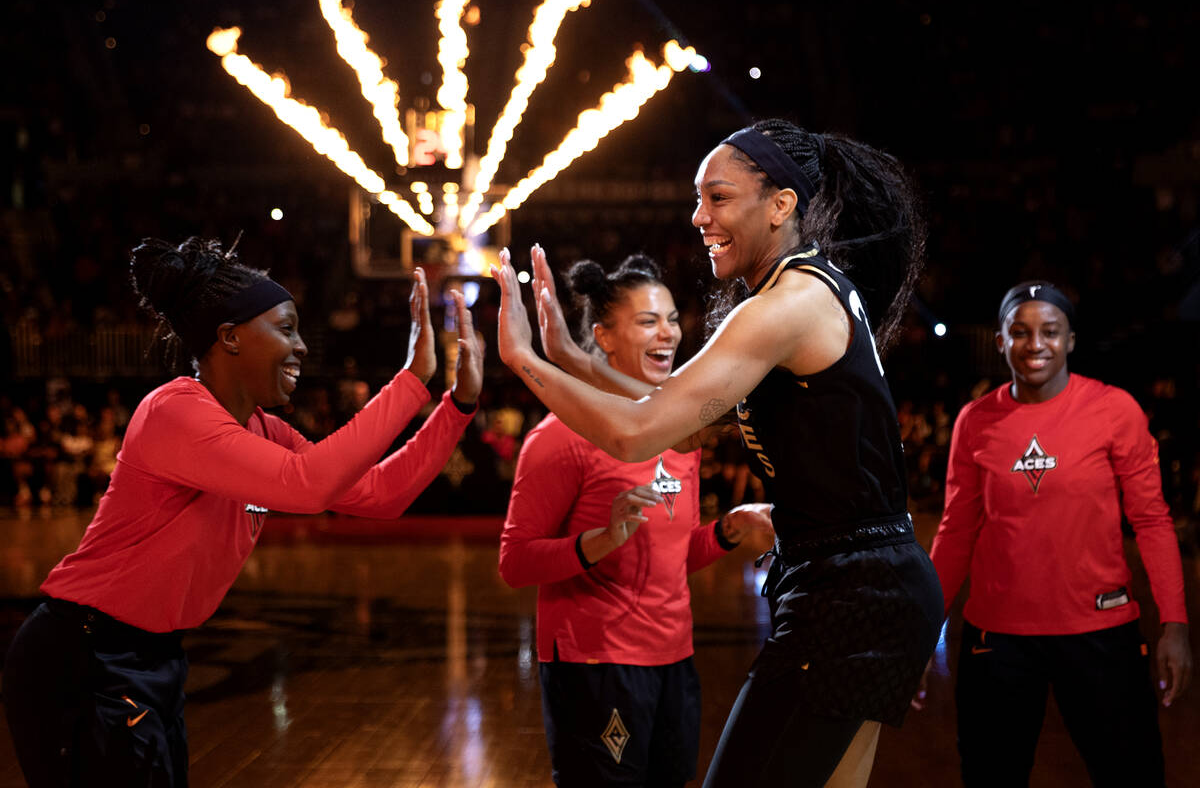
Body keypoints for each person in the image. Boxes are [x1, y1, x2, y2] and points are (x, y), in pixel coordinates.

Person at [493, 118, 944, 787]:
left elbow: (638, 433)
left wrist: (522, 359)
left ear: (781, 204)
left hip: (853, 593)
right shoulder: (806, 289)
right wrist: (567, 360)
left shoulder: (784, 306)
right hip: (869, 584)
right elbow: (687, 423)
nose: (698, 216)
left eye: (718, 197)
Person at [2, 236, 483, 788]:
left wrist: (457, 407)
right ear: (229, 337)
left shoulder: (263, 429)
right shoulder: (173, 411)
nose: (301, 346)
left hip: (152, 657)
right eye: (286, 327)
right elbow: (309, 487)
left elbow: (379, 496)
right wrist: (410, 380)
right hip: (81, 657)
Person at [498, 254, 773, 788]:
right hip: (594, 665)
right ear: (603, 337)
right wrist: (598, 541)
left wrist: (728, 530)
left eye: (671, 318)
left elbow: (673, 557)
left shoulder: (680, 432)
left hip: (675, 661)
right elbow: (515, 562)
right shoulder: (559, 437)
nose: (667, 332)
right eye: (648, 321)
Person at [924, 280, 1192, 787]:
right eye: (1020, 332)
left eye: (1050, 331)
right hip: (997, 640)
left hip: (1100, 633)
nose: (1035, 344)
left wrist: (1174, 624)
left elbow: (1153, 521)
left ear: (1070, 340)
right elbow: (956, 530)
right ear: (1001, 341)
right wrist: (924, 631)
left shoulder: (1115, 411)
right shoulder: (975, 421)